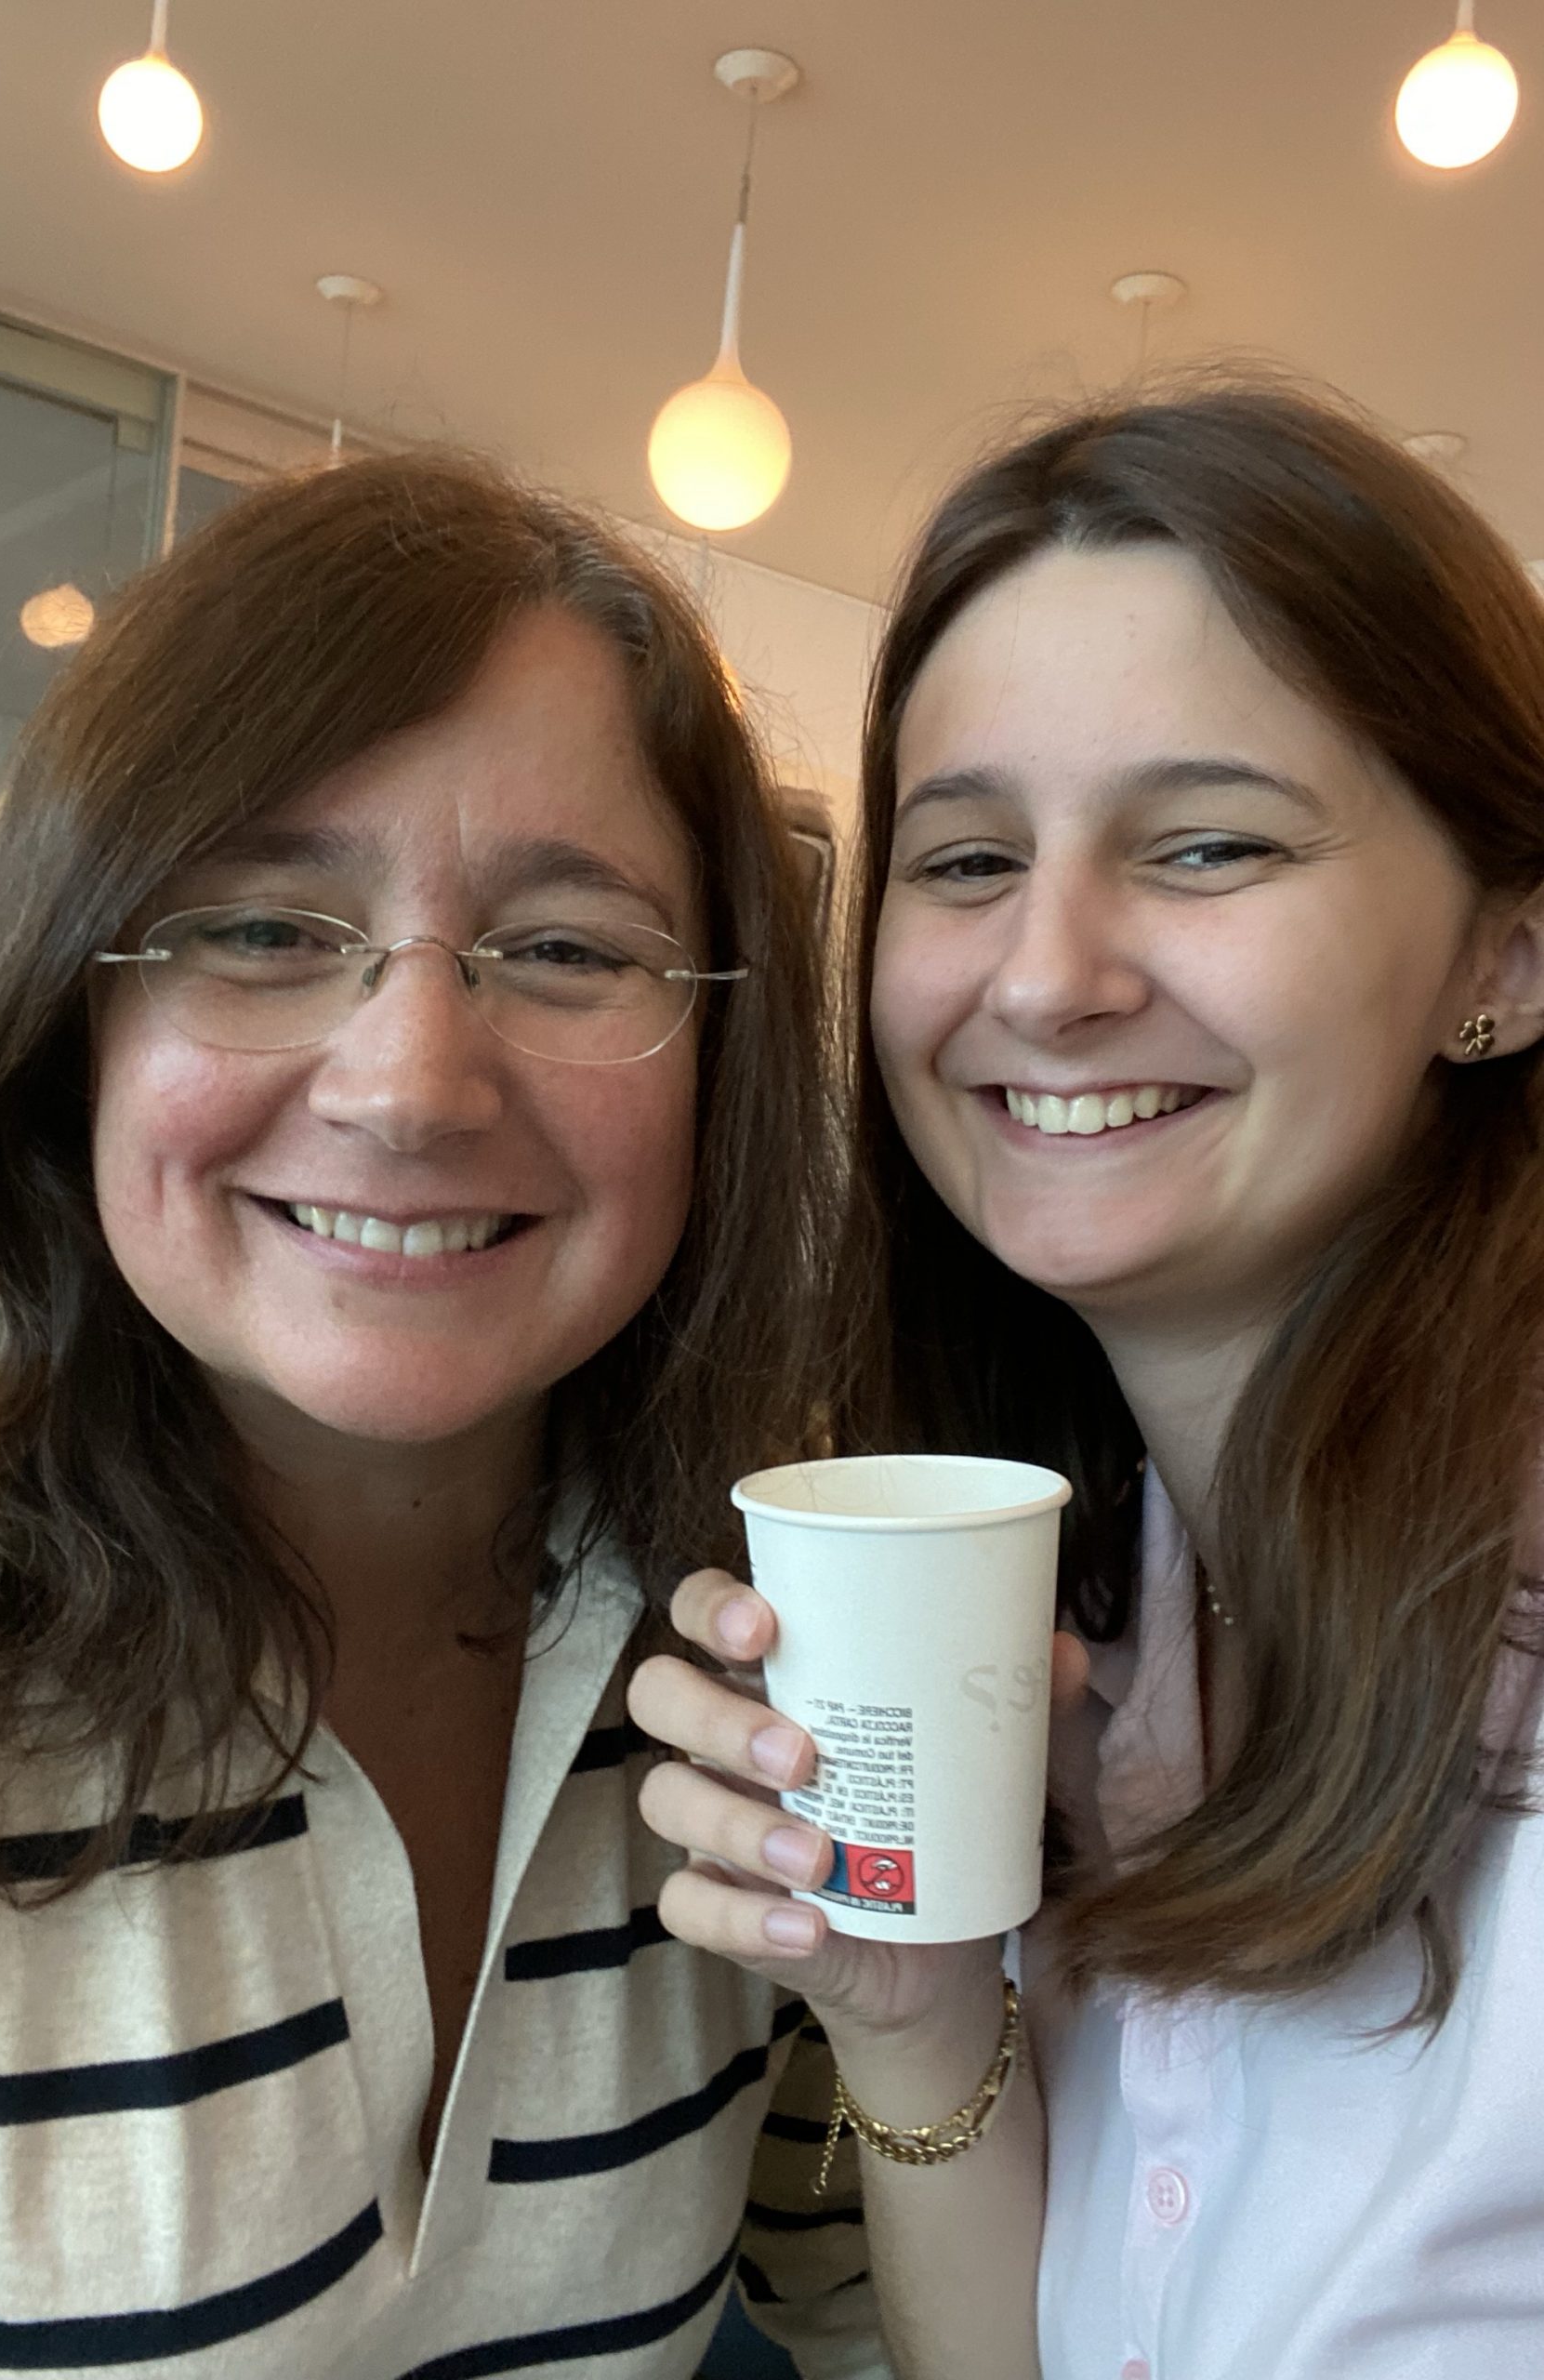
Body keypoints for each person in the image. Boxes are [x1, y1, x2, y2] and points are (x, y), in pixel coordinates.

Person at [0, 453, 883, 2376]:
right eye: (267, 927)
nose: (411, 1083)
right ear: (74, 1005)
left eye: (567, 948)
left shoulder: (759, 1628)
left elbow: (869, 2307)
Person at [629, 381, 1544, 2380]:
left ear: (1513, 946)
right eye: (962, 862)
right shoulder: (1100, 1608)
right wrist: (917, 2006)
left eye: (1208, 843)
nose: (1045, 975)